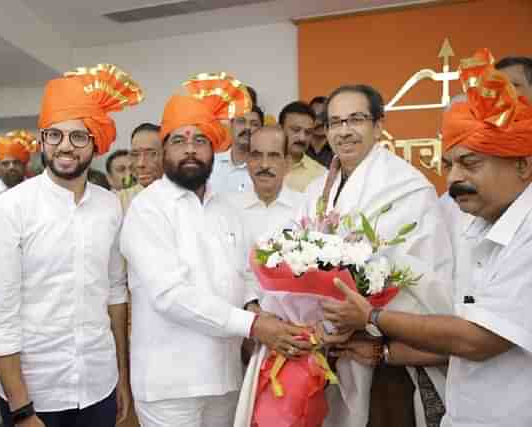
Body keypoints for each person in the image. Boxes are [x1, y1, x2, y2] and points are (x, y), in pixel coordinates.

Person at [322, 48, 532, 427]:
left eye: (470, 164)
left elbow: (478, 337)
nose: (452, 180)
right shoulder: (464, 212)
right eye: (448, 164)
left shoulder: (412, 190)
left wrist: (372, 320)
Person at [120, 73, 311, 427]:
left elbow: (243, 275)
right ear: (164, 150)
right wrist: (254, 325)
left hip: (225, 379)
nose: (191, 148)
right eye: (179, 140)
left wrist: (259, 310)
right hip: (171, 386)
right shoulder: (147, 209)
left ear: (215, 149)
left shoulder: (225, 208)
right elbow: (170, 296)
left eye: (201, 139)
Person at [0, 64, 143, 427]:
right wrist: (22, 409)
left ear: (96, 144)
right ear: (42, 141)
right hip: (37, 392)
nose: (65, 146)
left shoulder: (109, 205)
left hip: (99, 383)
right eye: (54, 135)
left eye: (78, 137)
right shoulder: (8, 209)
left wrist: (121, 377)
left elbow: (115, 293)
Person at [300, 84, 453, 427]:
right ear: (325, 131)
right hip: (331, 348)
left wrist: (371, 320)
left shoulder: (409, 187)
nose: (344, 130)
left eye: (356, 119)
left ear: (378, 125)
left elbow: (427, 274)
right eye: (335, 122)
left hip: (388, 352)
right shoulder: (314, 192)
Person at [223, 125, 305, 248]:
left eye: (273, 156)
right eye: (256, 156)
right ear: (248, 160)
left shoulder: (304, 208)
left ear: (287, 163)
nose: (264, 165)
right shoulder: (227, 208)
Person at [208, 105, 264, 193]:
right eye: (241, 121)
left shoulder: (265, 168)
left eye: (254, 124)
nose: (247, 127)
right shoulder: (211, 163)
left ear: (261, 130)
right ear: (231, 125)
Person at [279, 101, 326, 191]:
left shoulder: (321, 175)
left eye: (308, 132)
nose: (302, 138)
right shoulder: (261, 164)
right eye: (296, 130)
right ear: (280, 129)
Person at [118, 123, 163, 213]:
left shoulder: (187, 197)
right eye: (135, 154)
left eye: (151, 154)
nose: (140, 164)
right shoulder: (121, 201)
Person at [0, 130, 36, 200]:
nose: (11, 167)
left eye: (16, 162)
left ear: (24, 165)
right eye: (5, 164)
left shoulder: (36, 190)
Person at [307, 96, 334, 168]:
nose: (321, 122)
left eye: (324, 117)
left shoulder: (338, 150)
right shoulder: (300, 147)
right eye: (316, 116)